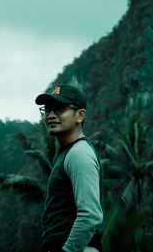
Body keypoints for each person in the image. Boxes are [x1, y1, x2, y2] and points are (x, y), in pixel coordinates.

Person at [35, 84, 105, 252]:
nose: (51, 115)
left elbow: (90, 215)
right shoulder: (69, 153)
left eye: (59, 109)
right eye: (48, 109)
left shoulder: (79, 153)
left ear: (80, 115)